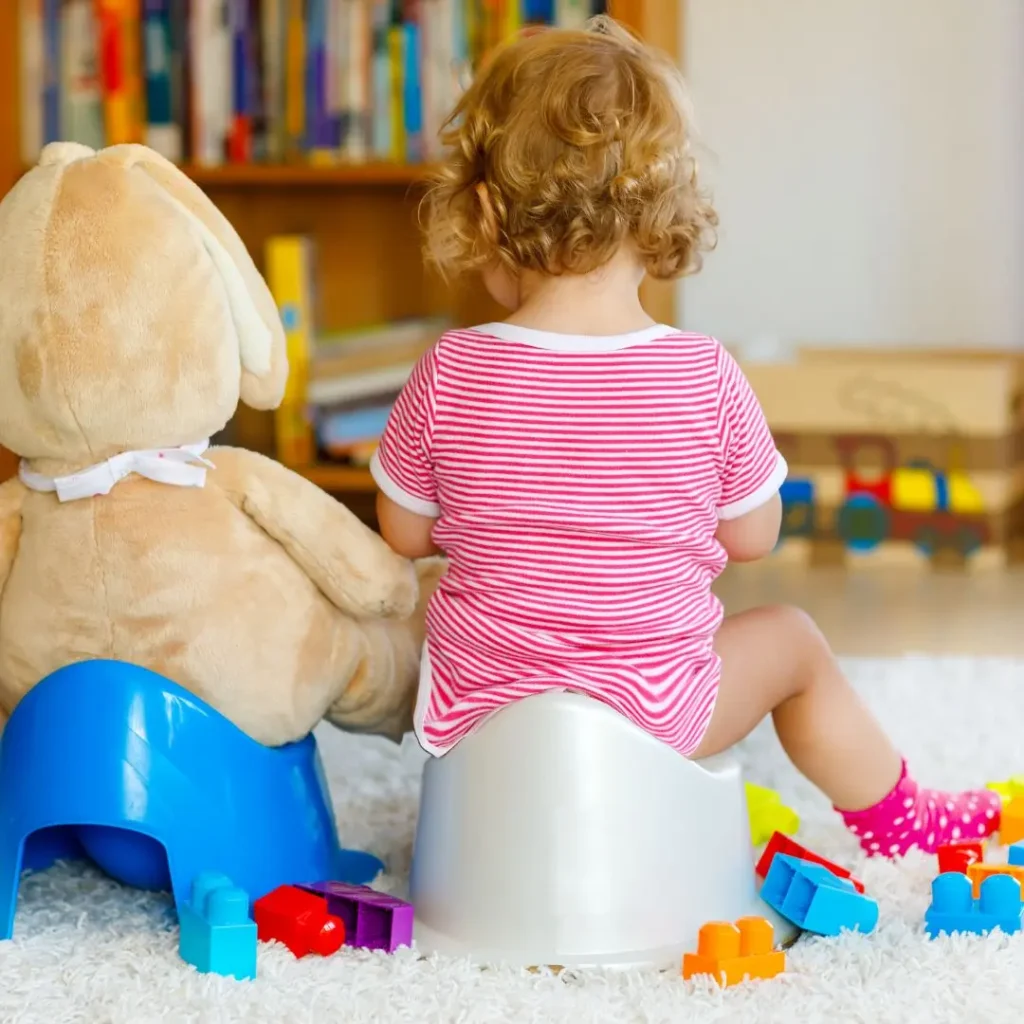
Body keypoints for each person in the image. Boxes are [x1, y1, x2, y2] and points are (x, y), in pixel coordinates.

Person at [369, 16, 999, 855]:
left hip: (485, 715)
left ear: (483, 210)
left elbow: (404, 532)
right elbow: (752, 535)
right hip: (657, 716)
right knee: (795, 643)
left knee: (431, 608)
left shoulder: (449, 367)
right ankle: (901, 819)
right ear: (659, 215)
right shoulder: (703, 374)